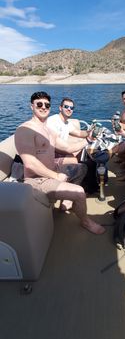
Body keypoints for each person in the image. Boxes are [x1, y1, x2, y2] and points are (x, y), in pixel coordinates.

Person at [14, 91, 105, 235]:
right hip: (37, 179)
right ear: (32, 106)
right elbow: (30, 163)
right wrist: (55, 176)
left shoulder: (49, 131)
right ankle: (85, 221)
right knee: (80, 192)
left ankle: (66, 200)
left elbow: (68, 148)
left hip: (52, 169)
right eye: (39, 104)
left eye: (47, 105)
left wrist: (88, 140)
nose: (43, 107)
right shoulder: (25, 130)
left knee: (82, 168)